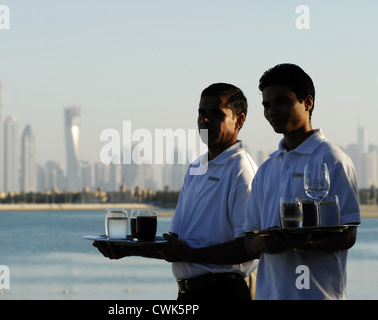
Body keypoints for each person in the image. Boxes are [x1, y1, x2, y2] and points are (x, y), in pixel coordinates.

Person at [94, 83, 258, 300]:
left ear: (239, 120)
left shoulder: (241, 170)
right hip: (187, 293)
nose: (205, 119)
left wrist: (190, 254)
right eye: (201, 112)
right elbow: (176, 244)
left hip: (223, 292)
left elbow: (250, 247)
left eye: (216, 114)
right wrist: (127, 249)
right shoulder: (196, 168)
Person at [242, 63, 361, 300]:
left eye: (282, 101)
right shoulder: (266, 169)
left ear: (308, 103)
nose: (272, 111)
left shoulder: (333, 160)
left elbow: (348, 235)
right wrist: (265, 243)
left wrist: (306, 242)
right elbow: (249, 237)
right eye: (267, 105)